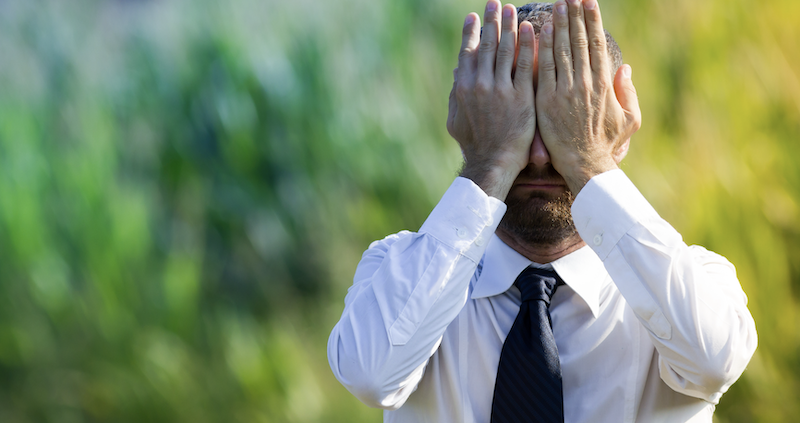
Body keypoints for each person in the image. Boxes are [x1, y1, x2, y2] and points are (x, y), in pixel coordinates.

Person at [327, 0, 757, 422]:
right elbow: (370, 374)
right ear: (468, 118)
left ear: (621, 121)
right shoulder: (396, 272)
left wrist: (589, 162)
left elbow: (713, 361)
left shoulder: (699, 282)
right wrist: (490, 164)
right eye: (516, 121)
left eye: (564, 122)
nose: (536, 155)